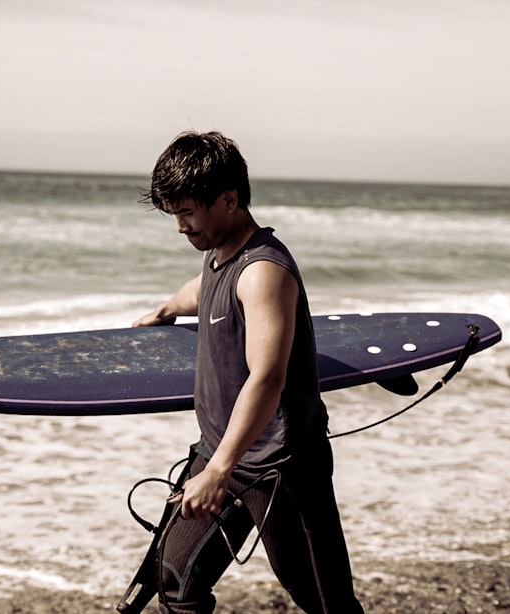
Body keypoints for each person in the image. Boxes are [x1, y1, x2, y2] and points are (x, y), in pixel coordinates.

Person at [130, 131, 364, 614]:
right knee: (175, 582)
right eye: (174, 214)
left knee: (325, 602)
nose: (179, 227)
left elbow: (267, 377)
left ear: (229, 199)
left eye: (187, 212)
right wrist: (166, 309)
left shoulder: (263, 272)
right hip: (220, 453)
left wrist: (218, 470)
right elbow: (203, 289)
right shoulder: (219, 257)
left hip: (282, 467)